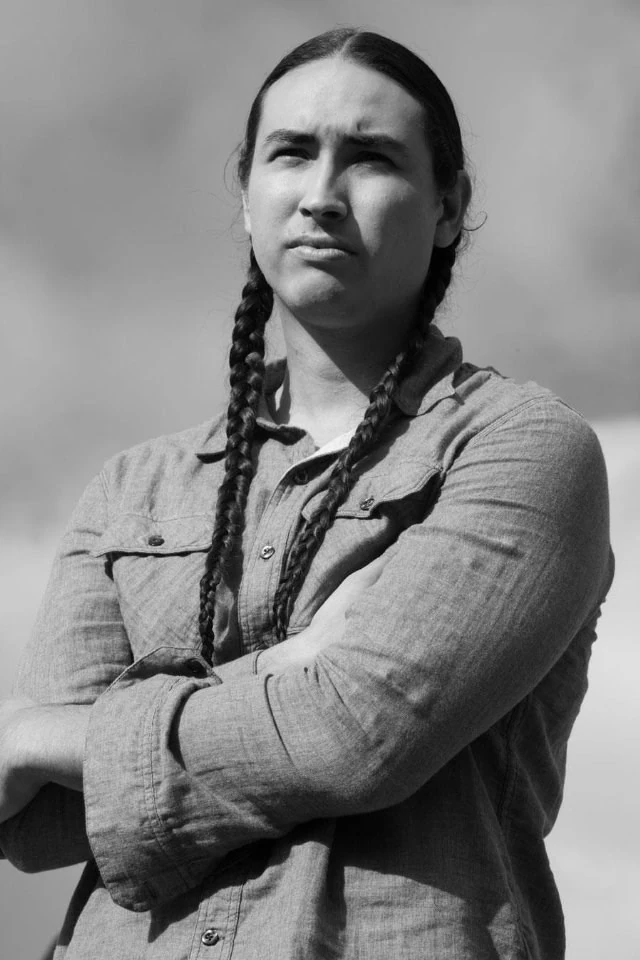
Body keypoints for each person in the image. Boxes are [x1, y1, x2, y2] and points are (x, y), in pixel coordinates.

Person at [0, 26, 613, 960]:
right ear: (247, 196)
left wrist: (50, 737)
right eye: (291, 153)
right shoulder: (132, 490)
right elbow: (37, 818)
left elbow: (357, 736)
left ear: (448, 208)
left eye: (371, 158)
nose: (322, 195)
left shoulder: (520, 447)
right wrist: (290, 668)